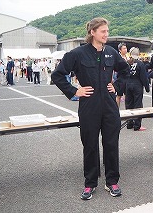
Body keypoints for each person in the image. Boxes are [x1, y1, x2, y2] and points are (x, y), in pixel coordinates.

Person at [51, 17, 129, 200]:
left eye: (107, 31)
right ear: (92, 32)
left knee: (111, 144)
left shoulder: (111, 52)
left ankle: (112, 181)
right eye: (103, 31)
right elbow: (58, 75)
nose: (106, 34)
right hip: (89, 106)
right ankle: (90, 183)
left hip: (110, 106)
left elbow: (125, 72)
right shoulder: (77, 54)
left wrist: (117, 87)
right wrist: (75, 91)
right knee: (90, 145)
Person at [124, 47, 150, 131]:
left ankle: (129, 123)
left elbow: (122, 75)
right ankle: (137, 125)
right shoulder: (140, 64)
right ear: (138, 54)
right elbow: (143, 77)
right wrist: (147, 87)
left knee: (129, 104)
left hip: (128, 85)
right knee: (138, 105)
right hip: (137, 85)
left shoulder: (127, 63)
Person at [115, 42, 128, 107]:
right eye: (124, 48)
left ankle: (127, 110)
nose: (125, 50)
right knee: (119, 95)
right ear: (120, 50)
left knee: (127, 95)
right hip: (120, 78)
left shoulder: (128, 57)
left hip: (128, 79)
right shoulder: (117, 57)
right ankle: (117, 110)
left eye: (126, 48)